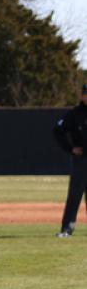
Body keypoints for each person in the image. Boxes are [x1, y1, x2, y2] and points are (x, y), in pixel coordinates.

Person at [53, 83, 87, 237]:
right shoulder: (74, 114)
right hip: (81, 162)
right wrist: (70, 148)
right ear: (82, 95)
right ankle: (67, 228)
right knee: (74, 195)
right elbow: (57, 130)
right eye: (86, 93)